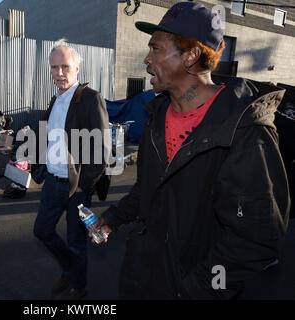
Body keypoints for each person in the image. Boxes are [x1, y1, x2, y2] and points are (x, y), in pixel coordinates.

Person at [94, 1, 290, 299]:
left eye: (156, 48)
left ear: (191, 55)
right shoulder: (156, 117)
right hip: (142, 277)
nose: (147, 59)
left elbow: (257, 239)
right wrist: (114, 218)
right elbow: (148, 189)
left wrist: (200, 289)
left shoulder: (245, 131)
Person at [33, 39, 110, 299]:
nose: (59, 73)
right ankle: (68, 268)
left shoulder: (90, 98)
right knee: (42, 231)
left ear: (77, 68)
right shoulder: (55, 101)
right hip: (53, 183)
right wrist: (39, 165)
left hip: (76, 187)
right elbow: (49, 137)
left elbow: (101, 150)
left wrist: (83, 184)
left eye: (65, 66)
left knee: (77, 242)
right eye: (54, 68)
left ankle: (79, 286)